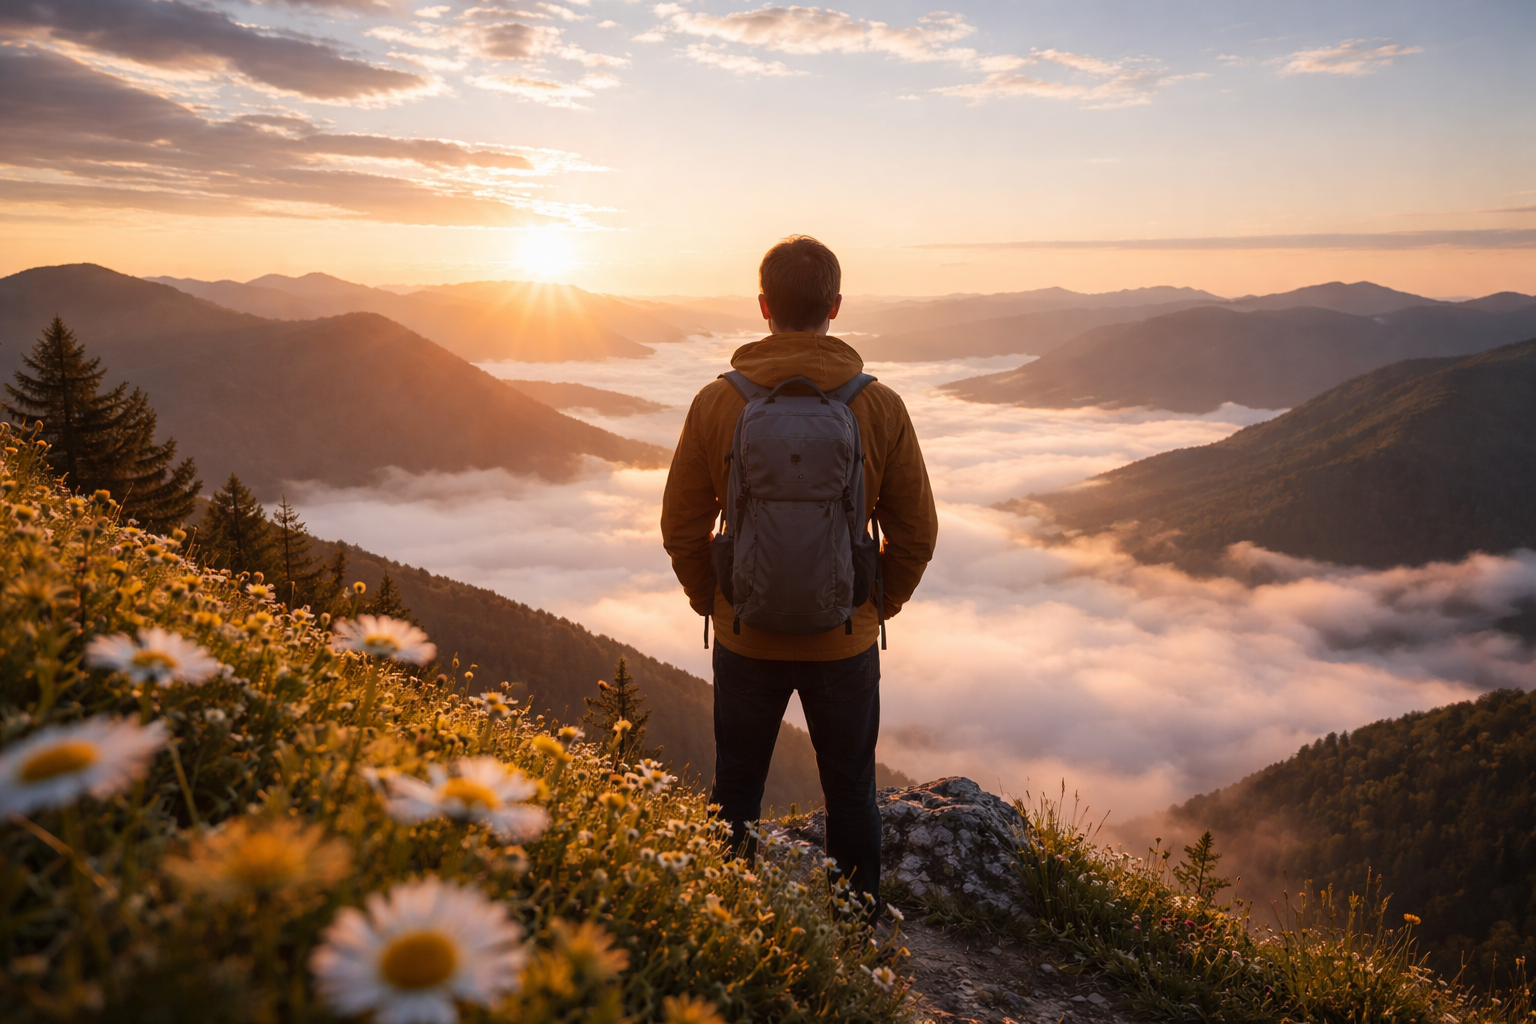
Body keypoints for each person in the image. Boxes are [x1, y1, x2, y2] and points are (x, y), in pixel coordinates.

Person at [660, 235, 938, 911]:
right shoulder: (879, 406)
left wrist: (719, 600)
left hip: (745, 634)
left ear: (764, 306)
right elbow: (916, 533)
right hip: (843, 640)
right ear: (835, 306)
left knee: (734, 792)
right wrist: (871, 606)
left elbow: (680, 526)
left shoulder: (716, 403)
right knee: (851, 794)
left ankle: (721, 926)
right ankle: (855, 937)